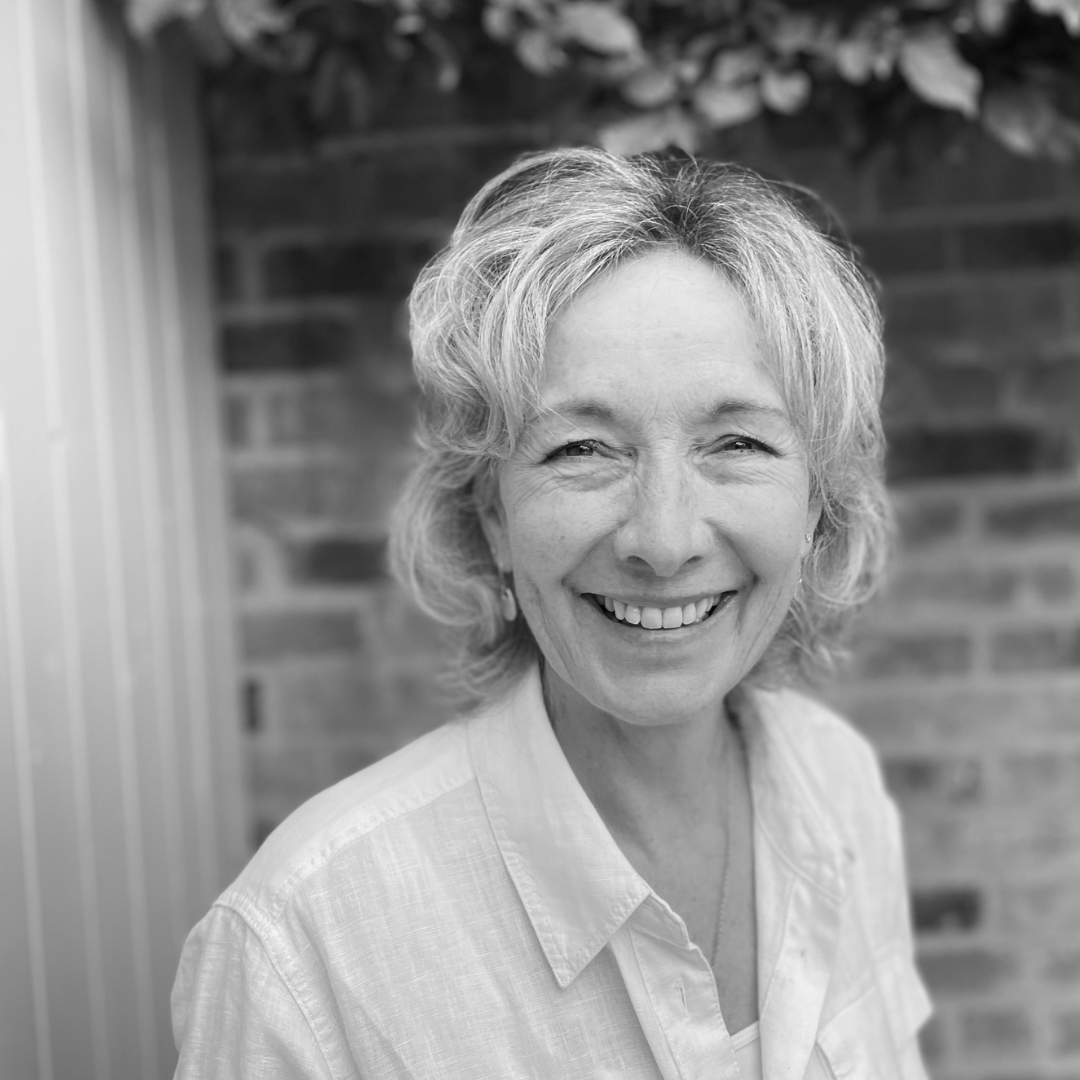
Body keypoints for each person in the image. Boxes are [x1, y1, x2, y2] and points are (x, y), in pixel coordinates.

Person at [172, 148, 933, 1079]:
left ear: (818, 503)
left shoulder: (838, 785)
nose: (663, 539)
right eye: (582, 449)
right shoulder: (305, 946)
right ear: (491, 514)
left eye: (737, 442)